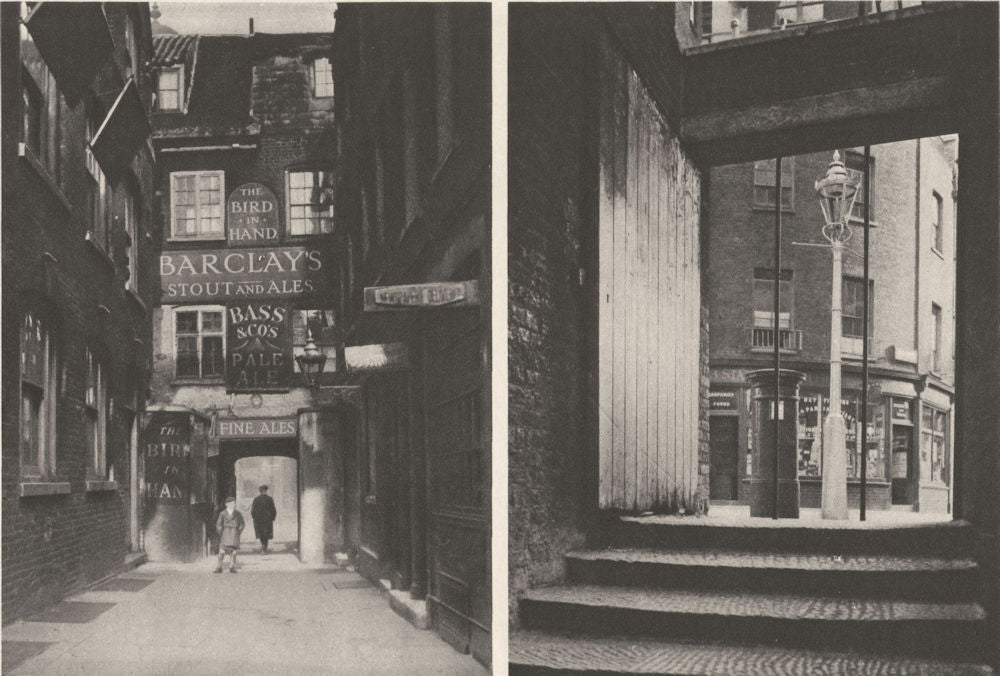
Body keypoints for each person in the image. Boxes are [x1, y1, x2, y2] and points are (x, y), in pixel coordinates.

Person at [214, 497, 244, 573]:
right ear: (227, 504)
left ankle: (232, 567)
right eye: (231, 503)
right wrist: (221, 531)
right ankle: (219, 567)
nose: (233, 505)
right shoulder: (222, 513)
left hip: (234, 534)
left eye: (234, 503)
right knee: (222, 551)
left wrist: (238, 531)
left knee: (233, 552)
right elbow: (218, 524)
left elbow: (242, 524)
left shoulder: (238, 513)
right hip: (225, 533)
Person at [250, 485, 277, 553]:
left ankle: (263, 546)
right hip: (268, 520)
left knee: (261, 533)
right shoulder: (270, 499)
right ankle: (264, 547)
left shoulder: (256, 499)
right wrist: (273, 517)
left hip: (259, 520)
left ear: (260, 491)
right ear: (265, 491)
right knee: (266, 534)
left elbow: (253, 510)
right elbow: (273, 509)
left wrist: (254, 518)